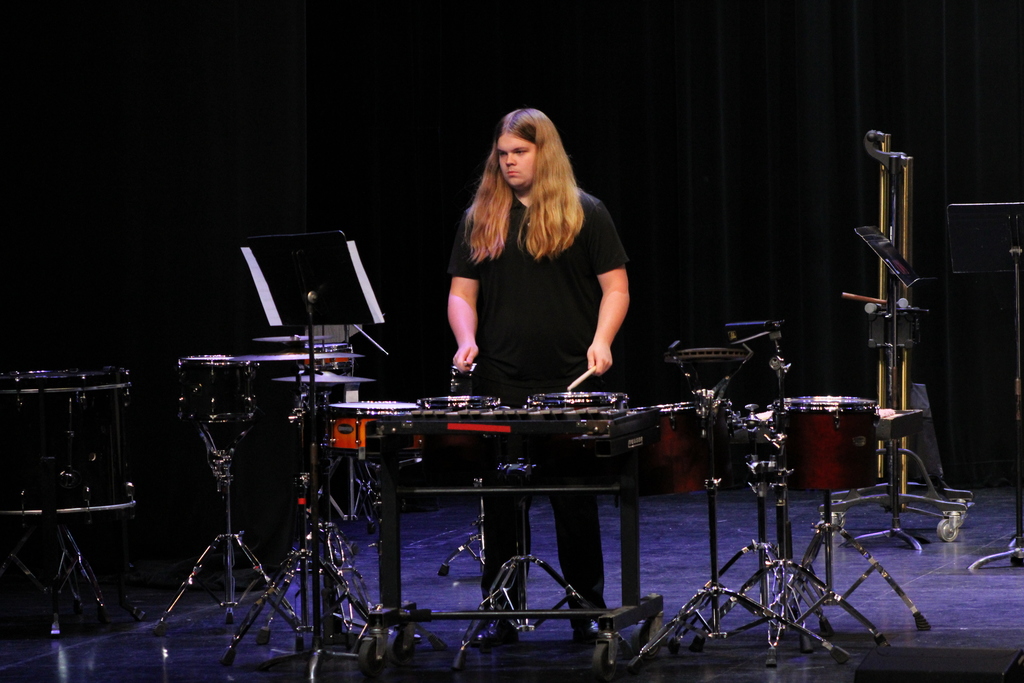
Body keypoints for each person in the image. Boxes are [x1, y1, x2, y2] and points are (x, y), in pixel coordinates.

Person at [447, 108, 629, 646]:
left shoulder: (585, 213)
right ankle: (501, 612)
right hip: (500, 382)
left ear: (542, 153)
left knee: (574, 501)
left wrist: (603, 340)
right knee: (502, 505)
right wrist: (465, 338)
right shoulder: (480, 216)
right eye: (502, 154)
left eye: (519, 153)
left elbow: (616, 287)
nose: (508, 163)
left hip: (569, 385)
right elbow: (461, 293)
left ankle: (587, 610)